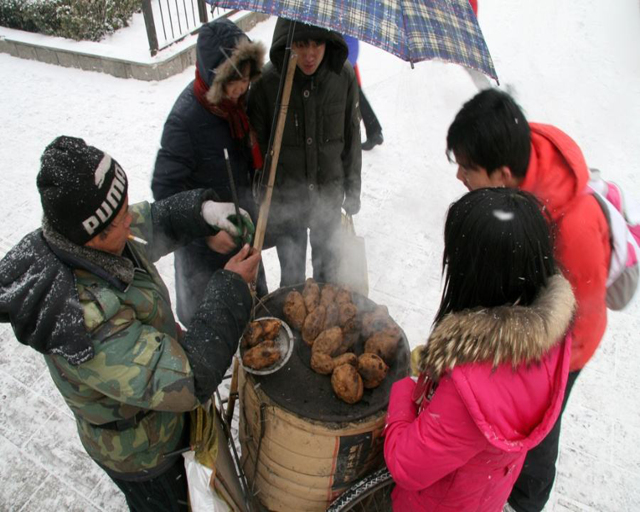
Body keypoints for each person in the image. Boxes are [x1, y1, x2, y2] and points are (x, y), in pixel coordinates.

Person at [0, 136, 261, 511]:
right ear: (90, 237)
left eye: (124, 207)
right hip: (146, 455)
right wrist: (231, 287)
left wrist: (203, 212)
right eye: (119, 218)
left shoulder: (88, 237)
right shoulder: (84, 320)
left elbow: (149, 221)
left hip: (162, 419)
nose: (130, 220)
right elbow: (188, 380)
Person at [446, 89, 611, 512]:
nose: (459, 177)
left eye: (467, 168)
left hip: (563, 345)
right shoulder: (516, 157)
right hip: (523, 317)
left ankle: (525, 501)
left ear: (502, 175)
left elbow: (579, 309)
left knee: (537, 430)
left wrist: (522, 358)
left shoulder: (573, 228)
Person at [384, 187, 575, 511]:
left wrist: (404, 390)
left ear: (478, 275)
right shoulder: (548, 337)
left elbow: (405, 465)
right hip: (482, 493)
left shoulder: (469, 388)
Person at [152, 18, 266, 326]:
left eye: (246, 77)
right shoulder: (184, 122)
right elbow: (164, 192)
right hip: (204, 258)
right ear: (214, 77)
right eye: (234, 79)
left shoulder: (237, 108)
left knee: (255, 318)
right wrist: (206, 234)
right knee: (213, 334)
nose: (242, 86)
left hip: (241, 239)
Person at [248, 18, 362, 287]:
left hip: (328, 195)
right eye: (300, 44)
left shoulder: (342, 76)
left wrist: (353, 188)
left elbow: (352, 137)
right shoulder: (268, 83)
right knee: (292, 281)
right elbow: (255, 147)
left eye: (317, 43)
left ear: (328, 41)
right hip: (288, 201)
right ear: (288, 42)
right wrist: (261, 194)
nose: (310, 54)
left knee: (328, 277)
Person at [343, 34, 384, 150]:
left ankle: (374, 132)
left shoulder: (345, 21)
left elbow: (351, 47)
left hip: (345, 66)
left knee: (357, 100)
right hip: (347, 64)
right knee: (358, 99)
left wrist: (344, 67)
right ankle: (374, 131)